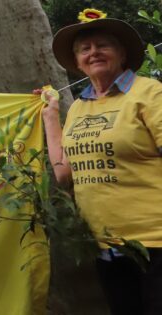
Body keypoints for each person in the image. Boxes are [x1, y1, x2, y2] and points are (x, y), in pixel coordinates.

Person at [40, 9, 162, 315]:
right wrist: (51, 117)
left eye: (102, 45)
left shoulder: (150, 93)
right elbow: (65, 175)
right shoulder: (80, 108)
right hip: (106, 248)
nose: (93, 52)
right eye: (85, 49)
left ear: (122, 53)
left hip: (156, 244)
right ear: (78, 62)